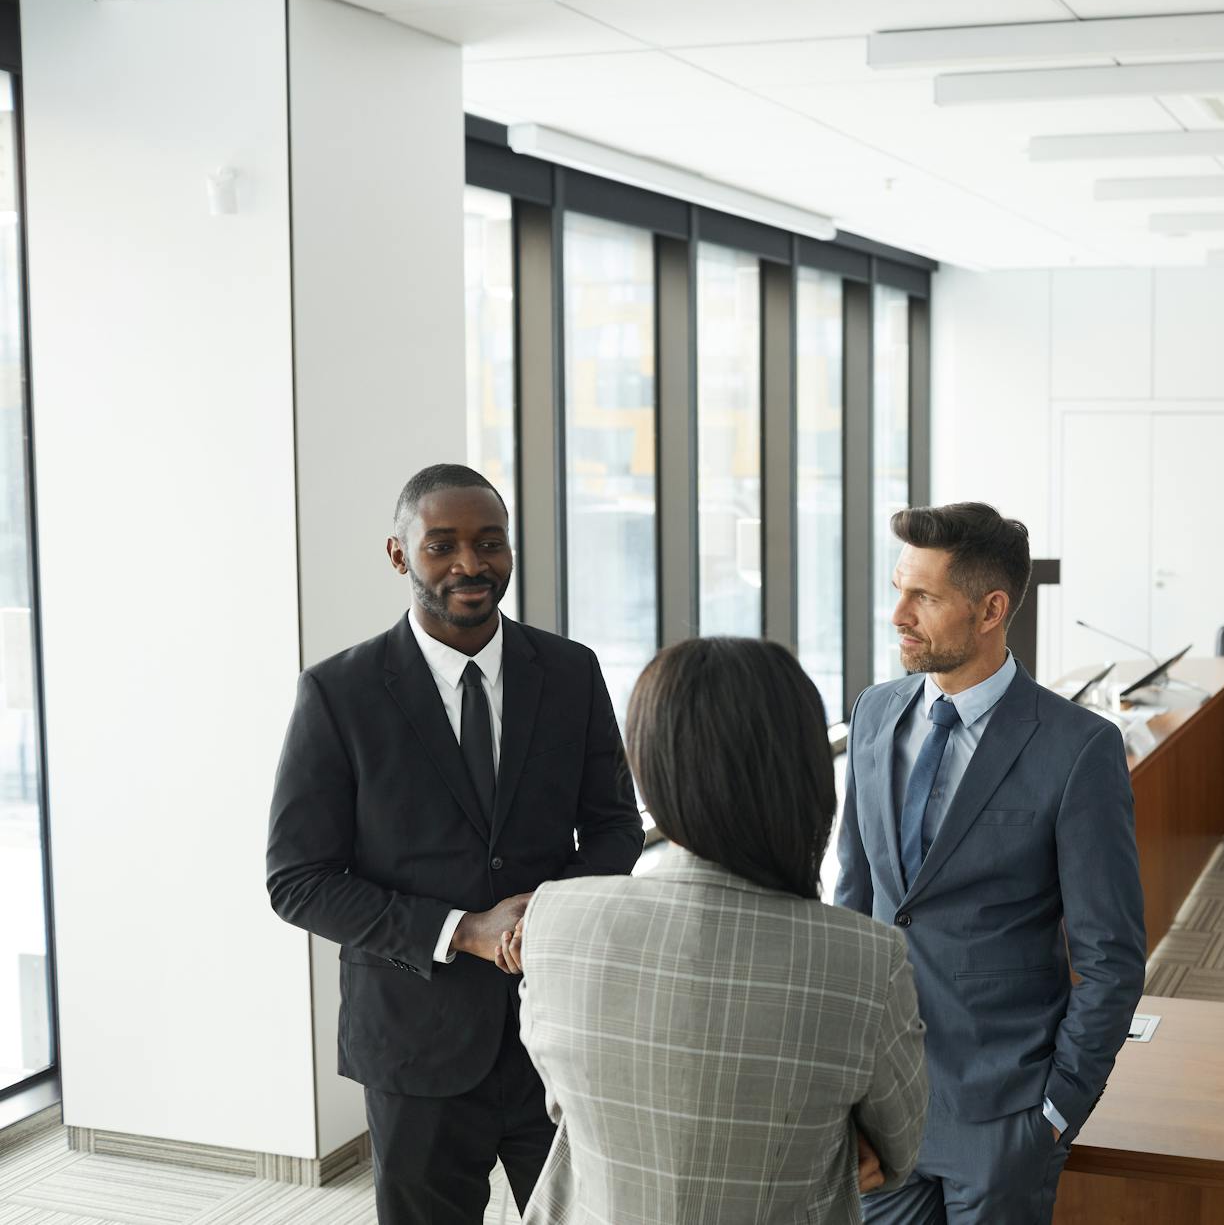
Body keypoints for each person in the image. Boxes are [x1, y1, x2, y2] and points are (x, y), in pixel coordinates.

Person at [267, 463, 643, 1225]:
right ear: (400, 555)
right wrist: (463, 931)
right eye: (442, 545)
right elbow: (298, 878)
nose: (470, 563)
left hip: (559, 1032)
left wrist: (546, 911)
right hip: (414, 1043)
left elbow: (615, 824)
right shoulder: (339, 694)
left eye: (489, 542)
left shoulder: (571, 672)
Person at [513, 638, 929, 1225]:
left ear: (649, 764)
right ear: (802, 773)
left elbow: (566, 1106)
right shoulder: (864, 959)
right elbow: (898, 1150)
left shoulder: (555, 921)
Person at [836, 502, 1146, 1225]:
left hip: (1004, 1118)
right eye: (897, 588)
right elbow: (851, 908)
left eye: (924, 596)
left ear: (990, 609)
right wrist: (843, 1087)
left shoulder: (1078, 748)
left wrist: (1054, 1112)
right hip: (880, 1110)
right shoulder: (874, 713)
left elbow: (1112, 956)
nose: (897, 615)